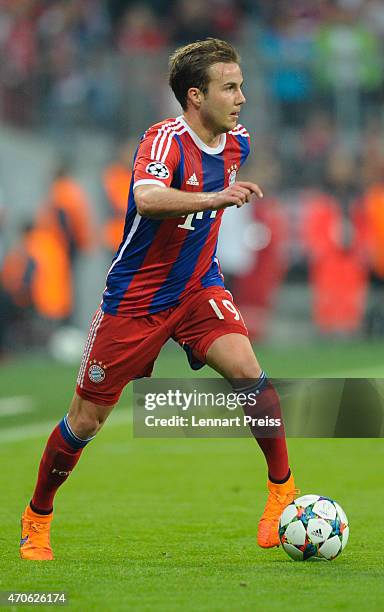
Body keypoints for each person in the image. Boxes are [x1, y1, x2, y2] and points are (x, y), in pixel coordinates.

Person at [20, 38, 297, 561]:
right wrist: (214, 198)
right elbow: (147, 199)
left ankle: (281, 492)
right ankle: (37, 515)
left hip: (197, 289)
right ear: (196, 96)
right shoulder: (163, 139)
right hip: (135, 301)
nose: (242, 97)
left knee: (248, 372)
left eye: (242, 85)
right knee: (85, 422)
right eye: (230, 87)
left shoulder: (238, 143)